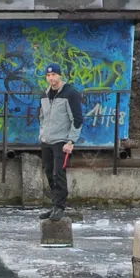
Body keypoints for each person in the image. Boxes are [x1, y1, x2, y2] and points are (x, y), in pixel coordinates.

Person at [37, 63, 83, 219]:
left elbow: (77, 119)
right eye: (48, 75)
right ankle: (54, 205)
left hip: (61, 142)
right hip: (46, 141)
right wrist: (42, 134)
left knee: (58, 174)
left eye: (54, 75)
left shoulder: (70, 94)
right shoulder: (44, 94)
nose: (51, 78)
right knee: (49, 173)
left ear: (59, 75)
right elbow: (42, 117)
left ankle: (60, 207)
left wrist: (71, 141)